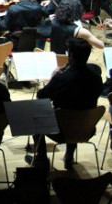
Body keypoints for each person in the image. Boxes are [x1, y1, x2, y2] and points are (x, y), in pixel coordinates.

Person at [27, 38, 103, 169]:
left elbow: (41, 96)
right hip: (87, 128)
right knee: (77, 110)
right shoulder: (96, 78)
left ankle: (42, 159)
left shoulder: (62, 78)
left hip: (61, 131)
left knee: (35, 118)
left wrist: (54, 76)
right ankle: (69, 155)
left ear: (71, 56)